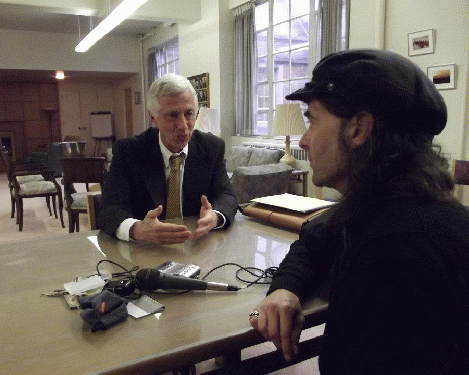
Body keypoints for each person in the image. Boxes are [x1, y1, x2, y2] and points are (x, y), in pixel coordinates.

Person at [249, 49, 469, 374]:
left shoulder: (399, 253)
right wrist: (286, 288)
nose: (305, 140)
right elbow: (315, 238)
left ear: (358, 130)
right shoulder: (380, 204)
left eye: (312, 120)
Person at [97, 73, 238, 245]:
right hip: (145, 250)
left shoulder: (212, 147)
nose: (183, 126)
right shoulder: (128, 151)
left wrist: (214, 217)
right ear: (153, 118)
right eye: (172, 115)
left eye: (189, 114)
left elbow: (227, 195)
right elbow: (108, 209)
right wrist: (137, 229)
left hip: (196, 245)